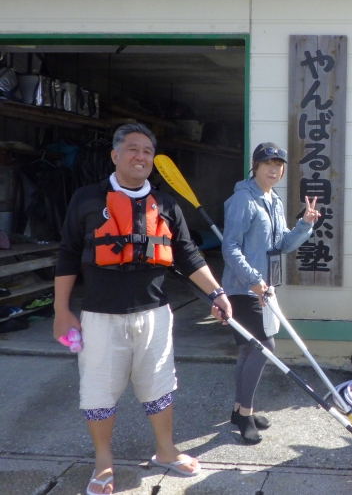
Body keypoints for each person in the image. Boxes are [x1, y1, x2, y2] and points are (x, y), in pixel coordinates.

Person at [53, 123, 232, 495]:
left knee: (160, 385)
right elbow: (68, 253)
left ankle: (165, 451)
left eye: (148, 151)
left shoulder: (167, 205)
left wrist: (217, 293)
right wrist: (60, 310)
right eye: (132, 149)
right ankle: (104, 462)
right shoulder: (87, 198)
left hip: (153, 313)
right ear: (115, 155)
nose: (141, 156)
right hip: (100, 316)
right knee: (98, 392)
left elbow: (187, 254)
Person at [222, 142, 319, 445]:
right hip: (243, 288)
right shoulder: (243, 200)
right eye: (268, 164)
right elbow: (230, 247)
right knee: (266, 347)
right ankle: (246, 413)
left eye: (279, 164)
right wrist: (251, 279)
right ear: (255, 166)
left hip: (265, 288)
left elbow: (282, 246)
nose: (274, 169)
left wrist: (305, 224)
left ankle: (239, 410)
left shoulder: (273, 200)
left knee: (250, 350)